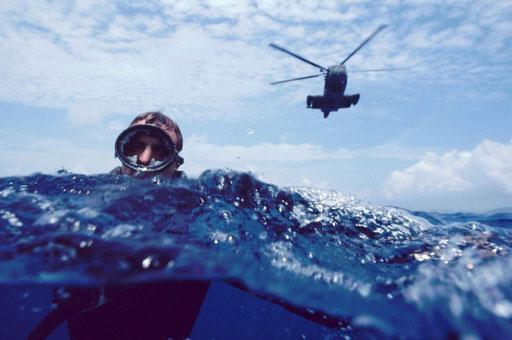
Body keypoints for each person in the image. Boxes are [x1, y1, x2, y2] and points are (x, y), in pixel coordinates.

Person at [29, 112, 346, 340]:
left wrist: (346, 315)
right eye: (134, 146)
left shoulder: (201, 213)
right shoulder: (81, 202)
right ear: (119, 151)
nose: (143, 160)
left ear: (175, 163)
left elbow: (265, 272)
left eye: (159, 150)